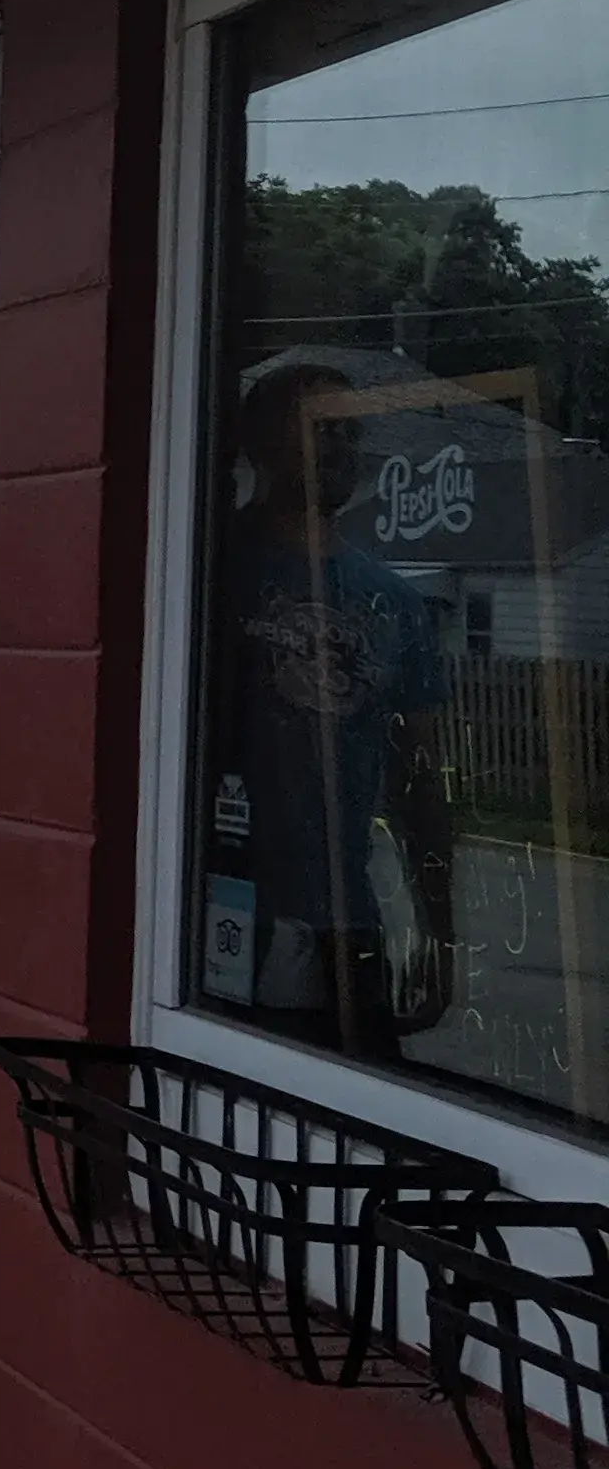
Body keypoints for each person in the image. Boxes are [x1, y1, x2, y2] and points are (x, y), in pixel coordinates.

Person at [207, 360, 456, 1058]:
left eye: (353, 434)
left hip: (350, 931)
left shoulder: (394, 605)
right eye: (320, 430)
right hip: (216, 923)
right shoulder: (204, 571)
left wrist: (438, 937)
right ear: (257, 442)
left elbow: (421, 789)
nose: (342, 449)